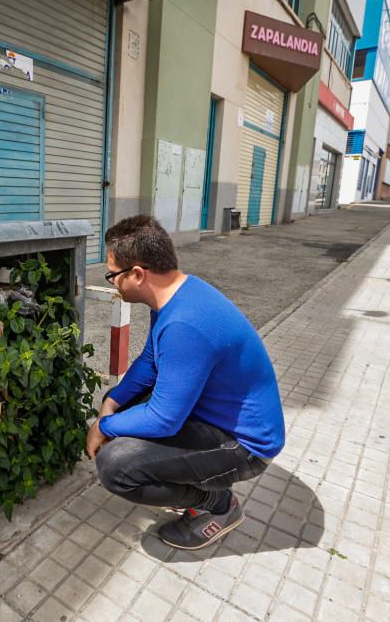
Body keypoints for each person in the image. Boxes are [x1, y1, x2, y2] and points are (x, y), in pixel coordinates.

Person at [87, 215, 285, 550]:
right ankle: (196, 482)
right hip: (212, 418)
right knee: (126, 402)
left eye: (112, 275)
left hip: (246, 446)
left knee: (115, 465)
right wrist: (112, 402)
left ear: (137, 273)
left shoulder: (184, 324)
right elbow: (150, 361)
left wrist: (104, 425)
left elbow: (164, 419)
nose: (111, 282)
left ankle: (218, 506)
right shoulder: (176, 295)